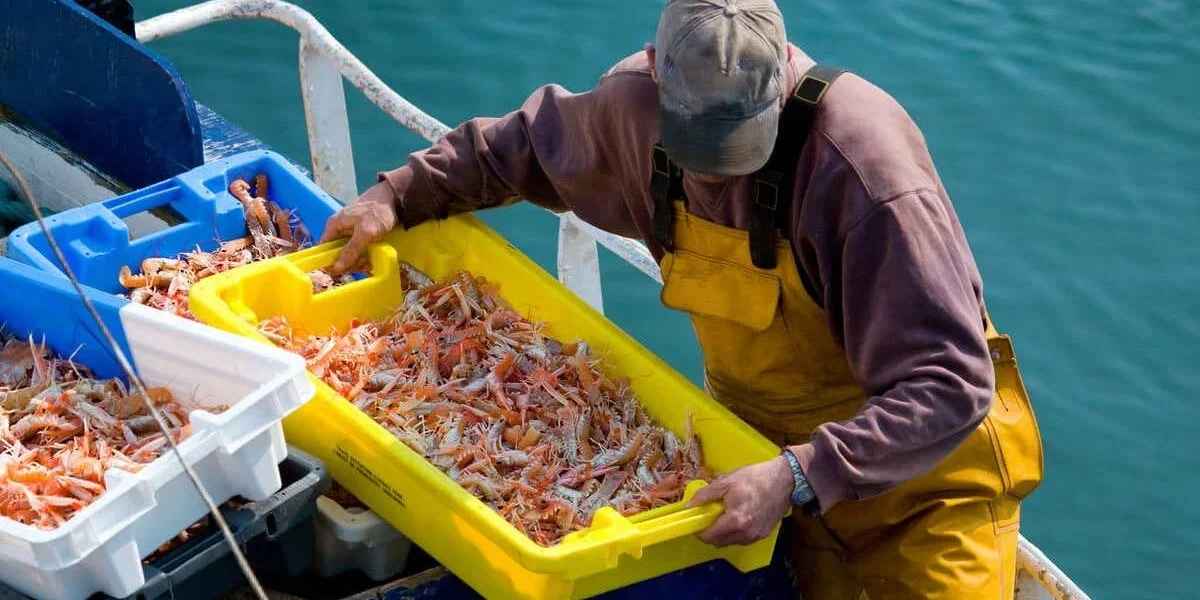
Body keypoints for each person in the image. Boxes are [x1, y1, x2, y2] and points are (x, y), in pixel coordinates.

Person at [320, 0, 1045, 597]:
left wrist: (799, 474)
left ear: (783, 80)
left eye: (739, 146)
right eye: (698, 148)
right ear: (655, 71)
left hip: (923, 491)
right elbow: (520, 147)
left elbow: (950, 383)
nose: (718, 176)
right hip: (761, 465)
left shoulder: (865, 175)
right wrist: (398, 195)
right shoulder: (632, 108)